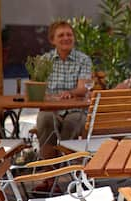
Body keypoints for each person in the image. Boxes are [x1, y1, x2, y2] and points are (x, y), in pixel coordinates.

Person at [35, 20, 92, 191]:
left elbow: (83, 88)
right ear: (52, 40)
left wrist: (71, 93)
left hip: (76, 109)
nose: (66, 38)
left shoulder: (83, 59)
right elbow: (37, 89)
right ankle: (50, 178)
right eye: (61, 35)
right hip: (50, 109)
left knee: (72, 123)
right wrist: (53, 99)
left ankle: (62, 175)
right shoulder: (44, 60)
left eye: (69, 34)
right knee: (45, 121)